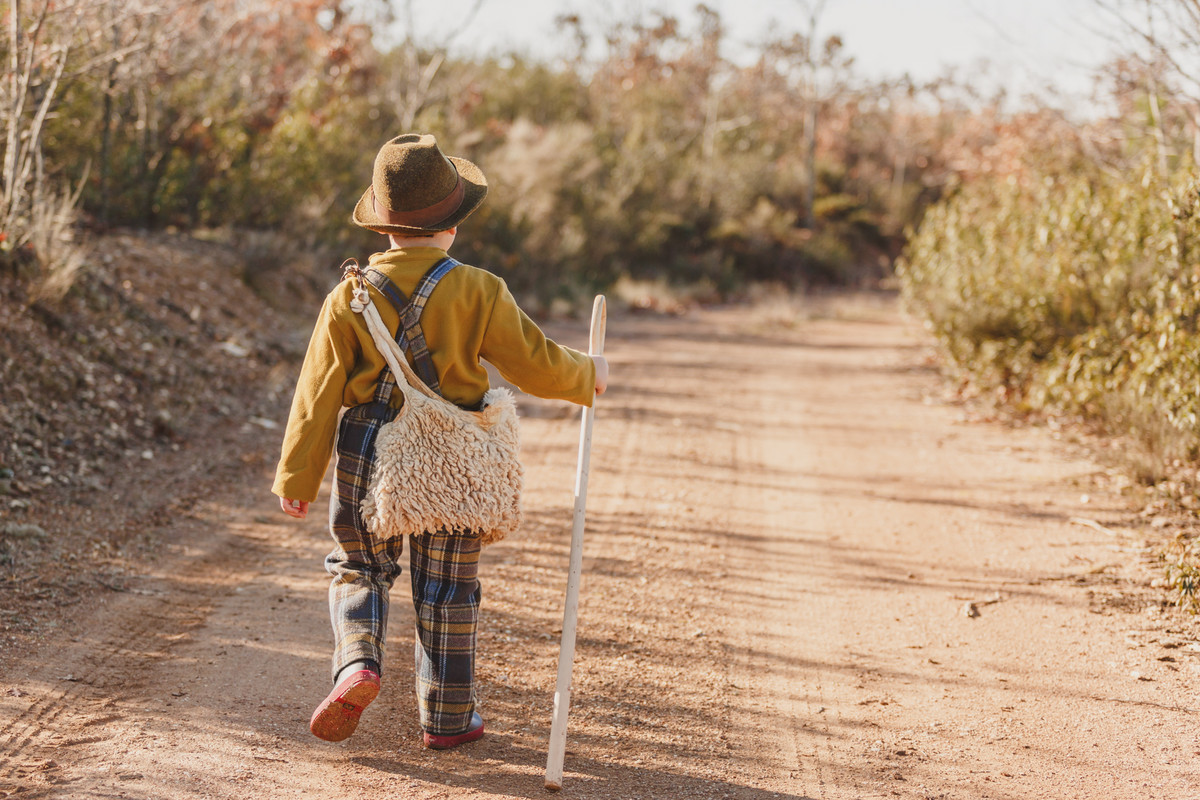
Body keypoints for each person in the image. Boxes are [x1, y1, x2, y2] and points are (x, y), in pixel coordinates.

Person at [272, 133, 608, 750]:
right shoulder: (480, 289)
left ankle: (357, 664)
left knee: (359, 567)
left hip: (368, 449)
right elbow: (532, 363)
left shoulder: (348, 296)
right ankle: (448, 716)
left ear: (382, 226)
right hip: (453, 455)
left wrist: (297, 478)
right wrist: (588, 375)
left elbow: (316, 394)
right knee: (448, 589)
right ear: (453, 225)